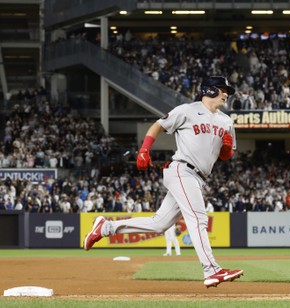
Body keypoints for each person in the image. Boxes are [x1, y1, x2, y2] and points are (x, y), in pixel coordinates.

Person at [84, 76, 244, 288]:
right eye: (223, 90)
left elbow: (225, 156)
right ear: (210, 90)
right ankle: (211, 269)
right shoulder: (187, 110)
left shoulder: (226, 121)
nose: (226, 94)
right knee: (198, 218)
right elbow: (157, 125)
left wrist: (225, 149)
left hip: (198, 177)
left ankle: (106, 227)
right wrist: (144, 149)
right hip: (182, 170)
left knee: (160, 224)